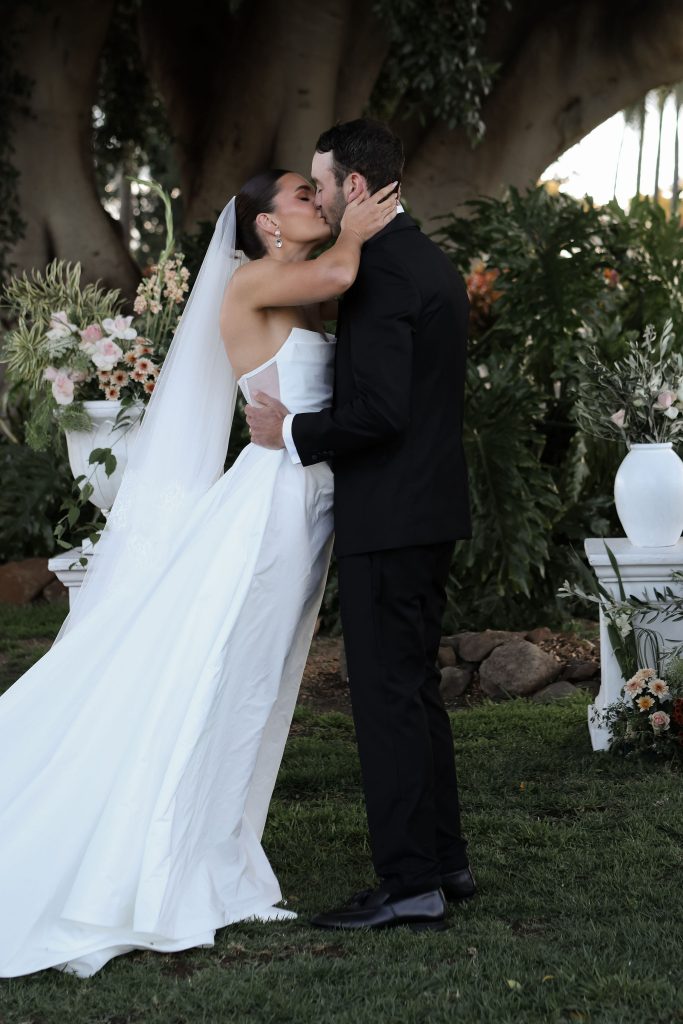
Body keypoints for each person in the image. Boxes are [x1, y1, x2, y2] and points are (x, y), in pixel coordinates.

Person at [0, 171, 396, 978]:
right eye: (298, 195)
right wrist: (360, 222)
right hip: (269, 512)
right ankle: (170, 858)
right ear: (264, 227)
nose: (315, 202)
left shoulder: (295, 286)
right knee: (225, 678)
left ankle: (218, 847)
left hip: (305, 500)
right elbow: (341, 271)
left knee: (261, 684)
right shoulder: (259, 278)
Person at [246, 119, 475, 932]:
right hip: (428, 506)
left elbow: (376, 412)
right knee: (413, 690)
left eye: (320, 183)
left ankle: (409, 882)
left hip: (389, 511)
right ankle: (443, 860)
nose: (315, 195)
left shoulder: (378, 273)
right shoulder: (426, 259)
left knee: (385, 699)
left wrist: (294, 435)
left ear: (352, 185)